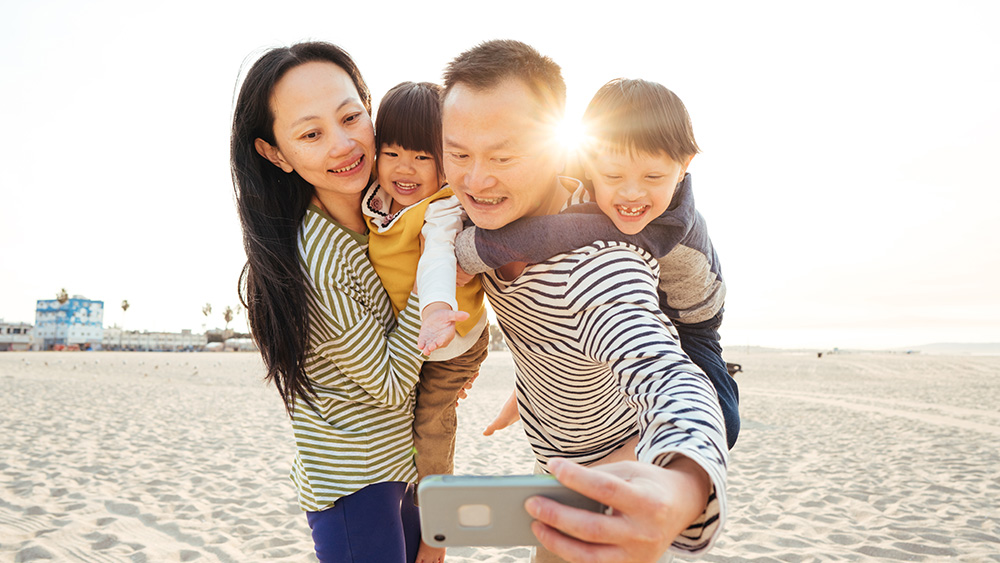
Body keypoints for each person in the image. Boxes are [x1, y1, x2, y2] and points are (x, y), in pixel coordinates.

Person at [440, 40, 729, 562]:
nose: (475, 179)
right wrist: (536, 383)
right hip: (556, 458)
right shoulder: (477, 212)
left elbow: (668, 374)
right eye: (458, 154)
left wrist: (682, 487)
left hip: (613, 471)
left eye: (502, 156)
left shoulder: (600, 267)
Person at [231, 42, 464, 563]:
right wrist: (437, 287)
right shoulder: (316, 256)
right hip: (355, 485)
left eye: (351, 117)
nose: (343, 145)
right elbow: (389, 382)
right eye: (311, 134)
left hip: (399, 464)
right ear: (274, 153)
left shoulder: (382, 214)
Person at [457, 78, 740, 450]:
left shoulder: (670, 219)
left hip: (690, 321)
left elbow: (563, 232)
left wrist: (474, 250)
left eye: (653, 177)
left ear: (684, 166)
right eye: (613, 176)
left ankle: (637, 449)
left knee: (724, 420)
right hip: (637, 304)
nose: (631, 193)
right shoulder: (580, 169)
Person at [362, 81, 491, 563]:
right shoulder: (373, 197)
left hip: (453, 335)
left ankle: (437, 536)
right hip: (418, 335)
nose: (404, 169)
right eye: (391, 152)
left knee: (431, 426)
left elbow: (438, 255)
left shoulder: (442, 207)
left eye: (422, 156)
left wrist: (435, 308)